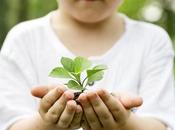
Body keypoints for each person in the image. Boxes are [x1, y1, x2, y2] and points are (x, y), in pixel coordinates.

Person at [0, 0, 175, 130]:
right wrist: (45, 123)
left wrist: (125, 123)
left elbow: (159, 123)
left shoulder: (152, 40)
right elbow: (11, 124)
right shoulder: (23, 40)